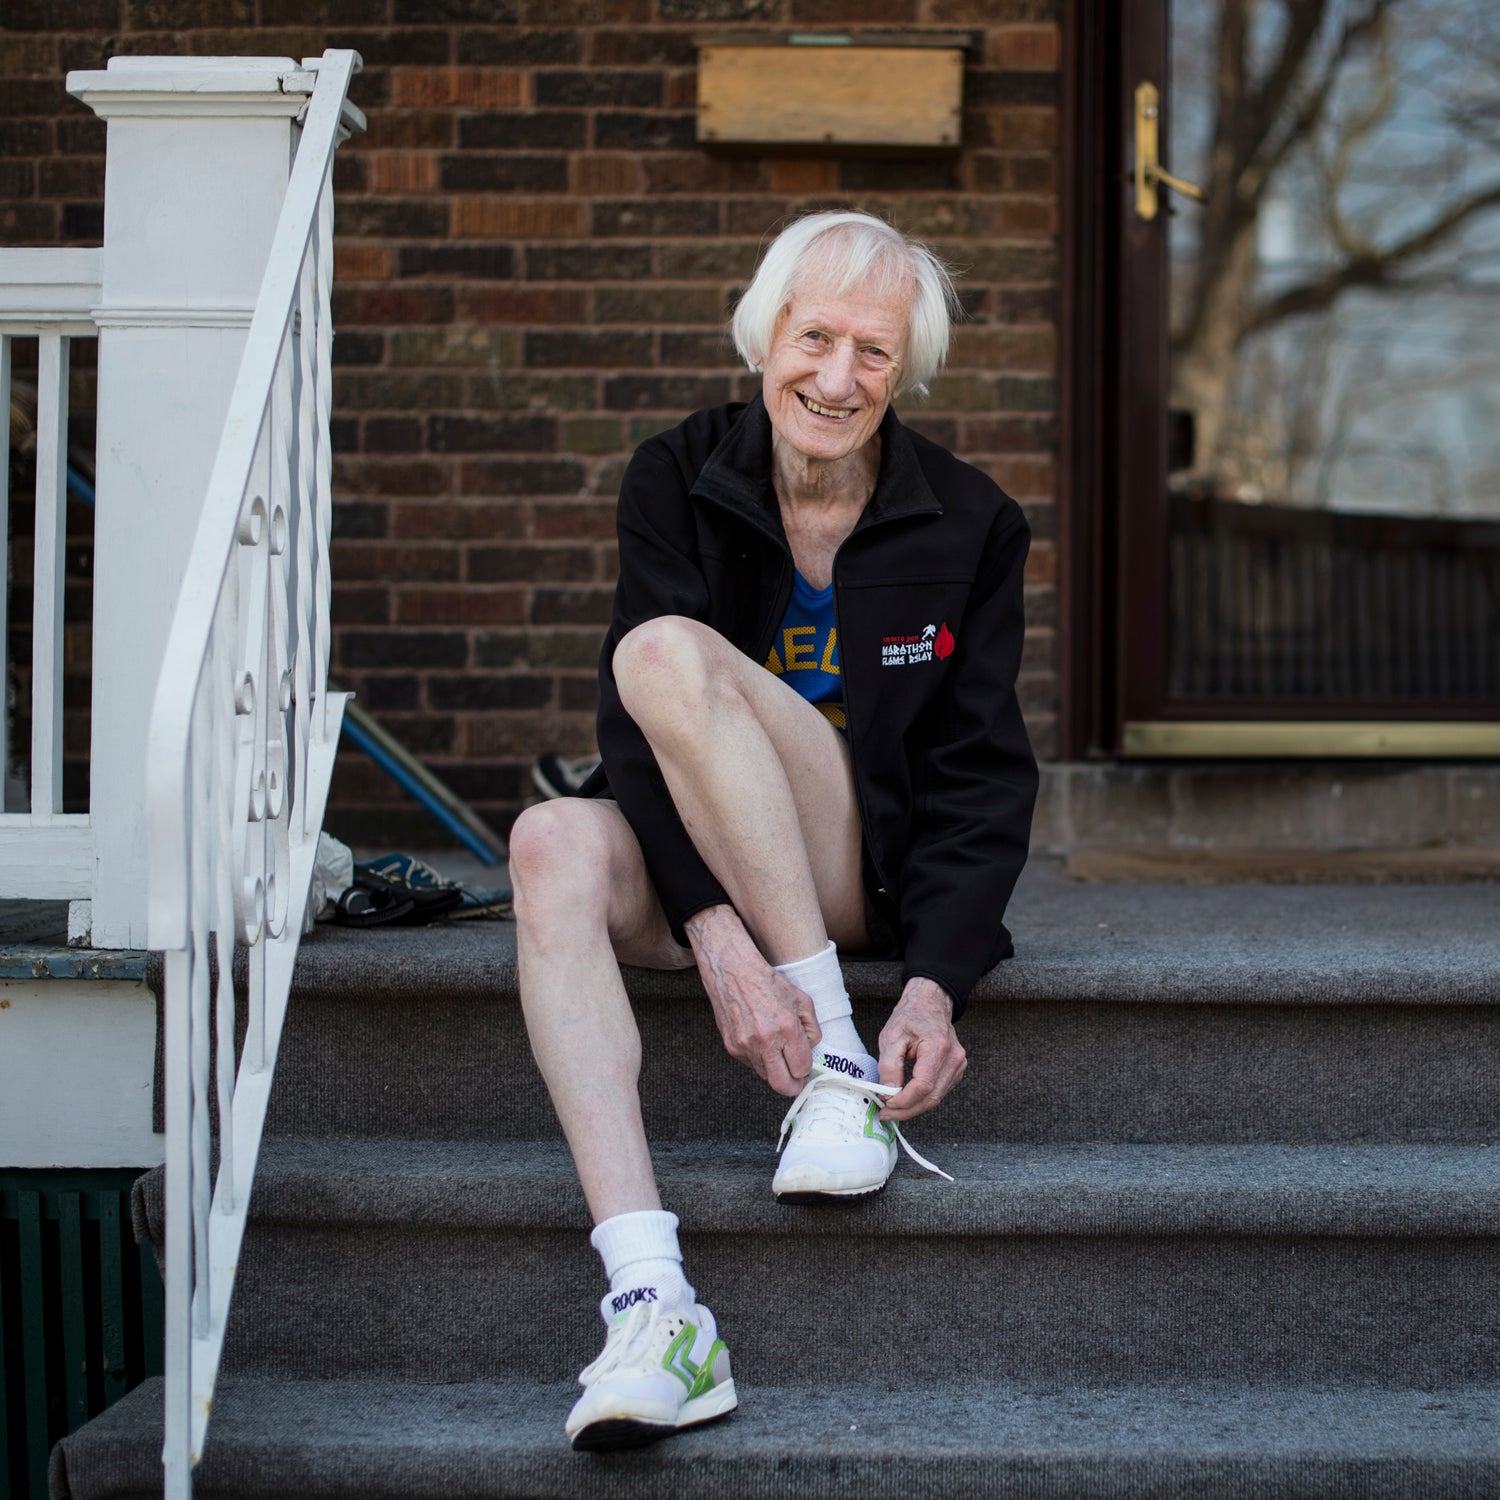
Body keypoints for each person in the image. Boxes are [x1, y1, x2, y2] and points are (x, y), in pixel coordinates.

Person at [507, 209, 1038, 1451]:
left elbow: (980, 776)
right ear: (763, 335)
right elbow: (640, 735)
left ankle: (840, 1060)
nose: (836, 379)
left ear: (904, 371)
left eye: (872, 351)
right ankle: (653, 1303)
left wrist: (939, 984)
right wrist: (708, 929)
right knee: (550, 841)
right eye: (814, 338)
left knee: (668, 653)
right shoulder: (677, 474)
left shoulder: (972, 522)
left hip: (856, 870)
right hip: (714, 869)